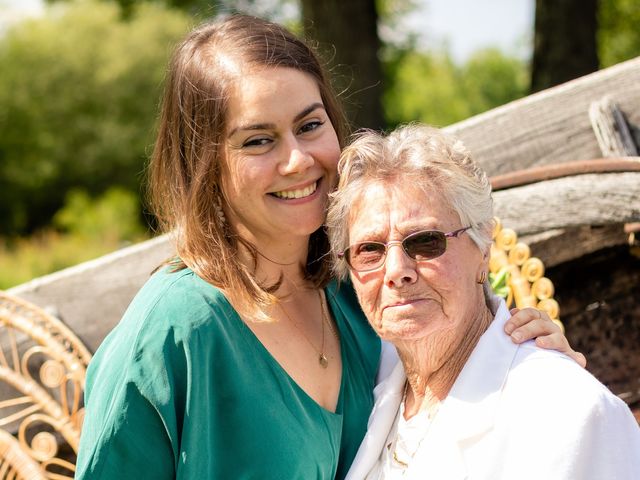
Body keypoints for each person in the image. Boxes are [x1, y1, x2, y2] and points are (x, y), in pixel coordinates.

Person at [74, 15, 584, 479]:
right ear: (205, 164)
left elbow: (446, 407)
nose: (298, 160)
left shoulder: (358, 293)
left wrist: (525, 359)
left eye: (309, 125)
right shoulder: (172, 331)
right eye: (258, 140)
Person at [325, 124, 640, 480]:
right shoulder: (362, 387)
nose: (397, 270)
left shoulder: (569, 414)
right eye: (370, 250)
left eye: (426, 242)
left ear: (483, 249)